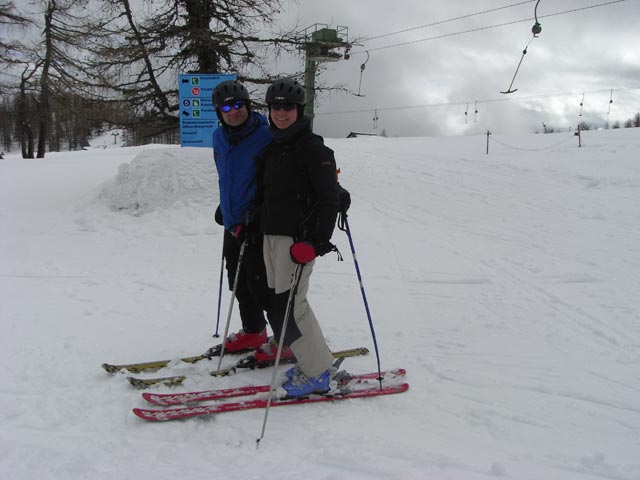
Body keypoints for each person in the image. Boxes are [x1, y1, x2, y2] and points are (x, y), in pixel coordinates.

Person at [257, 78, 341, 397]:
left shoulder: (313, 147)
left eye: (288, 107)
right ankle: (312, 360)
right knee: (280, 305)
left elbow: (328, 198)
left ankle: (317, 372)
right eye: (276, 106)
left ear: (299, 109)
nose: (281, 112)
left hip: (297, 242)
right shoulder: (272, 146)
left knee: (293, 306)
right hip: (270, 235)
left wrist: (318, 242)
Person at [210, 79, 273, 355]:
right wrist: (225, 206)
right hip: (232, 223)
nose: (234, 111)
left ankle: (287, 339)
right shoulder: (218, 138)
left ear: (247, 105)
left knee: (262, 283)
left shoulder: (267, 137)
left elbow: (275, 183)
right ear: (219, 113)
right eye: (227, 107)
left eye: (239, 105)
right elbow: (226, 176)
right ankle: (253, 331)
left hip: (256, 225)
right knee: (236, 278)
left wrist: (257, 214)